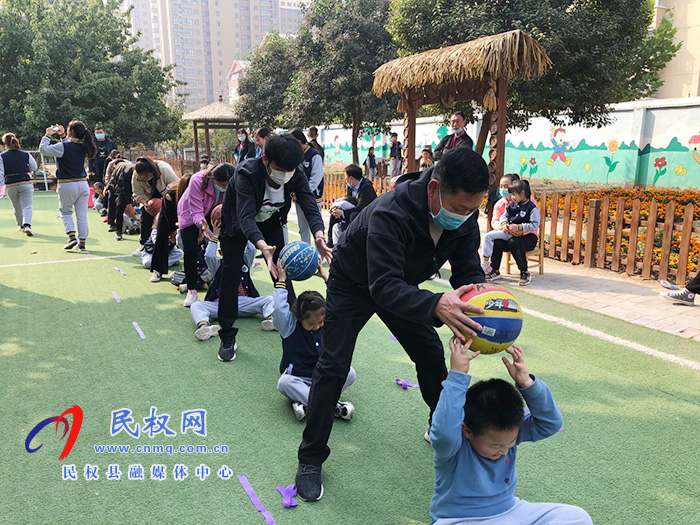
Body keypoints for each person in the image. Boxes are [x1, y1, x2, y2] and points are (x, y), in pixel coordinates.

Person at [293, 147, 490, 502]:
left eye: (472, 209)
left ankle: (442, 429)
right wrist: (435, 303)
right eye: (460, 208)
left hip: (400, 285)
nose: (465, 216)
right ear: (433, 189)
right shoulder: (390, 213)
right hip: (353, 283)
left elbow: (468, 271)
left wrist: (479, 299)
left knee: (430, 352)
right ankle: (310, 459)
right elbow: (381, 286)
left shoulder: (464, 217)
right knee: (333, 365)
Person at [429, 339, 592, 525]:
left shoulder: (509, 433)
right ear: (466, 430)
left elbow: (550, 423)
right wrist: (457, 376)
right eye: (496, 445)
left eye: (511, 442)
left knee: (577, 517)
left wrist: (526, 383)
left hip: (511, 511)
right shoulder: (452, 446)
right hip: (461, 519)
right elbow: (443, 430)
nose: (505, 451)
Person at [217, 134, 332, 363]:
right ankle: (227, 335)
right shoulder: (246, 174)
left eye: (290, 169)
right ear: (265, 160)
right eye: (281, 168)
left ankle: (295, 332)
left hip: (269, 222)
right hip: (237, 224)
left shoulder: (294, 173)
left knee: (282, 274)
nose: (286, 174)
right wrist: (263, 248)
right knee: (230, 276)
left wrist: (319, 234)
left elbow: (308, 203)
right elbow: (246, 218)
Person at [274, 260, 356, 422]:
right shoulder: (289, 326)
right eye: (311, 324)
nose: (317, 327)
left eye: (321, 322)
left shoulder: (326, 322)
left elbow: (338, 300)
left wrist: (326, 277)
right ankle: (335, 408)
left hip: (323, 376)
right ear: (299, 318)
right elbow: (278, 309)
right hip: (298, 378)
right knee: (284, 382)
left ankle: (307, 405)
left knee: (350, 372)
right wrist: (281, 281)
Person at [190, 240, 275, 340]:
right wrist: (215, 237)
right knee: (196, 305)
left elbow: (251, 249)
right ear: (221, 252)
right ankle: (204, 327)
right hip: (222, 305)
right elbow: (209, 256)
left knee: (269, 299)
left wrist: (245, 231)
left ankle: (272, 321)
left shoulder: (245, 262)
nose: (234, 252)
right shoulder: (218, 265)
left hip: (244, 303)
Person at [177, 163, 234, 307]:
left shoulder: (235, 182)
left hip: (219, 213)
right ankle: (191, 289)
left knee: (230, 244)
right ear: (213, 178)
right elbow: (195, 210)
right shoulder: (197, 180)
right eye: (222, 184)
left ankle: (228, 285)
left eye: (228, 185)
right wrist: (203, 226)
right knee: (190, 250)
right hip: (191, 214)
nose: (225, 188)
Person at [39, 121, 97, 250]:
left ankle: (71, 237)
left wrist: (48, 135)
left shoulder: (62, 147)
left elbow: (43, 149)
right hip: (82, 183)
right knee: (82, 214)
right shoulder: (84, 147)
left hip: (66, 184)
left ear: (71, 132)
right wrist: (63, 135)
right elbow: (69, 146)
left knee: (65, 212)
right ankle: (82, 242)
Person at [483, 179, 540, 286]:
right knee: (498, 241)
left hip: (528, 237)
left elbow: (535, 224)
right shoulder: (512, 205)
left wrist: (520, 228)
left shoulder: (532, 208)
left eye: (513, 194)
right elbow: (503, 216)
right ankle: (494, 270)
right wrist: (504, 224)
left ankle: (524, 272)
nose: (511, 197)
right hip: (511, 234)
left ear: (522, 193)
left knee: (514, 242)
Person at [131, 157, 179, 255]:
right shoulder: (136, 175)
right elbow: (137, 192)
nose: (146, 177)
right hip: (149, 199)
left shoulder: (164, 169)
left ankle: (172, 245)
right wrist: (143, 201)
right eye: (143, 176)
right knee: (145, 219)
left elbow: (175, 187)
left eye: (147, 174)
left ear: (151, 170)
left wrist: (165, 201)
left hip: (168, 197)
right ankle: (144, 244)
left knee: (169, 221)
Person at [327, 164, 377, 248]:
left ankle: (352, 242)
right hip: (354, 211)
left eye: (346, 178)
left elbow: (360, 208)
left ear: (351, 178)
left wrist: (343, 213)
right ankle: (330, 240)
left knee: (353, 215)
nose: (345, 181)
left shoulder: (366, 188)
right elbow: (349, 201)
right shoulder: (351, 187)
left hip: (366, 216)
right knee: (335, 212)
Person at [290, 129, 324, 245]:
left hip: (314, 197)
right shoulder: (296, 155)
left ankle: (320, 254)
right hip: (299, 198)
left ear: (299, 141)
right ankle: (307, 252)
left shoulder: (314, 154)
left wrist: (305, 191)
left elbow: (317, 176)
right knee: (303, 228)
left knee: (316, 227)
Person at [1, 133, 38, 236]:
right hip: (25, 182)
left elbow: (1, 172)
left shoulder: (2, 156)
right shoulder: (25, 154)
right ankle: (27, 225)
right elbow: (34, 167)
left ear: (5, 144)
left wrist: (1, 189)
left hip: (10, 184)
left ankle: (20, 225)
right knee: (27, 205)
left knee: (16, 206)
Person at [108, 157, 135, 241]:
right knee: (120, 206)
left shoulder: (133, 169)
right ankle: (118, 231)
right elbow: (123, 189)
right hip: (121, 187)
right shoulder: (121, 173)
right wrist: (129, 203)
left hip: (133, 184)